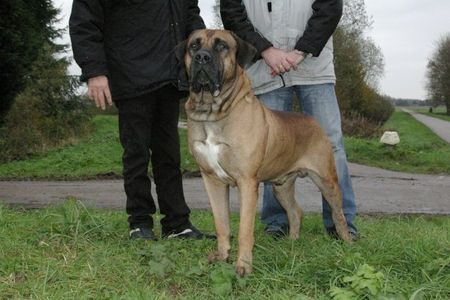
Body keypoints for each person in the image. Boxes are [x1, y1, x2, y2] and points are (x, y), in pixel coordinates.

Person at [70, 0, 213, 240]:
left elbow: (191, 17)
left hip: (169, 74)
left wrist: (205, 52)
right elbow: (85, 22)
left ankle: (177, 224)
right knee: (136, 154)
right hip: (130, 74)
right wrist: (94, 71)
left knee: (169, 155)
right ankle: (140, 223)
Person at [221, 0, 358, 239]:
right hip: (265, 69)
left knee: (332, 145)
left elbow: (330, 8)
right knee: (265, 149)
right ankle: (277, 223)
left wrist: (302, 50)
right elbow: (232, 13)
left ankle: (341, 224)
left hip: (314, 66)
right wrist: (265, 50)